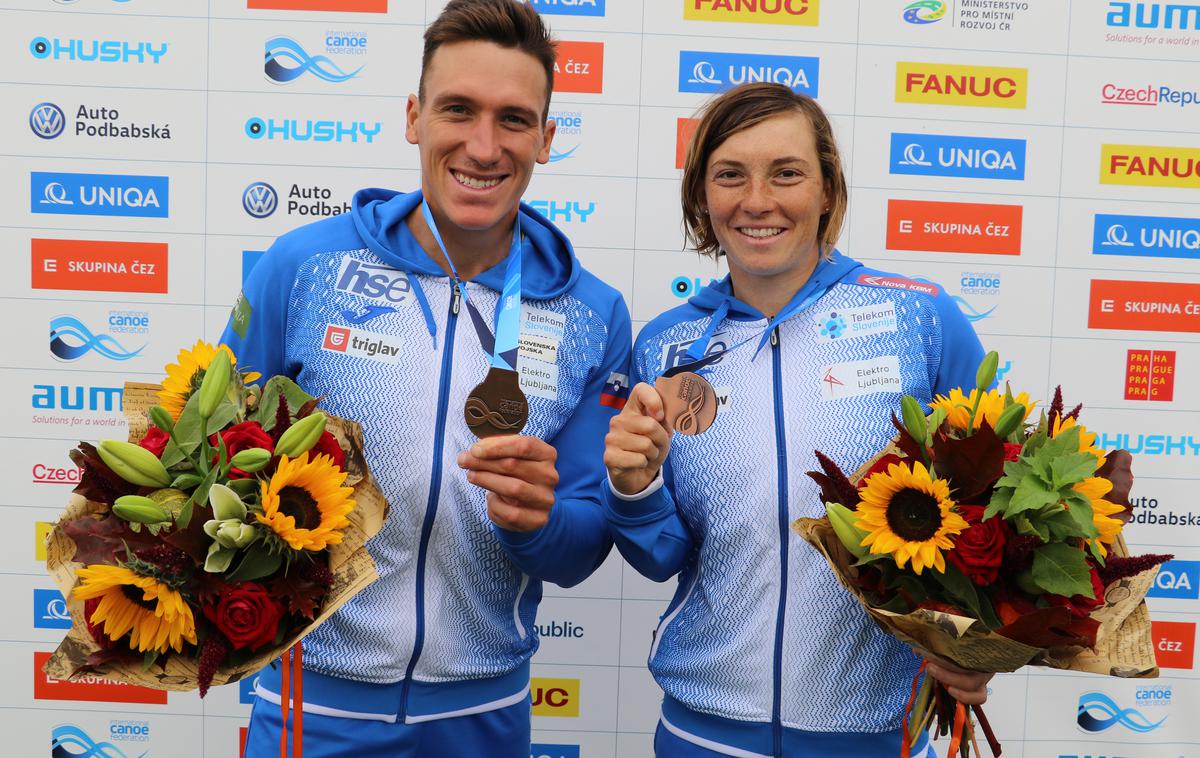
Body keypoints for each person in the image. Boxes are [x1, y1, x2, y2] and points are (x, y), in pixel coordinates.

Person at [224, 2, 631, 755]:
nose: (483, 145)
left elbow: (582, 546)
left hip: (483, 716)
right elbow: (212, 469)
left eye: (513, 118)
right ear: (415, 118)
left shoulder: (593, 313)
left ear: (546, 137)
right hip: (310, 708)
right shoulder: (305, 267)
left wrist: (539, 523)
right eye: (457, 110)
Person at [602, 82, 992, 758]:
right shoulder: (666, 348)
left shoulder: (921, 321)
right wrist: (633, 489)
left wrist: (976, 644)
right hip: (703, 735)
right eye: (730, 175)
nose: (758, 200)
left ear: (828, 191)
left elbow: (994, 522)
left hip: (875, 737)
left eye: (786, 173)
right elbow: (659, 554)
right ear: (702, 197)